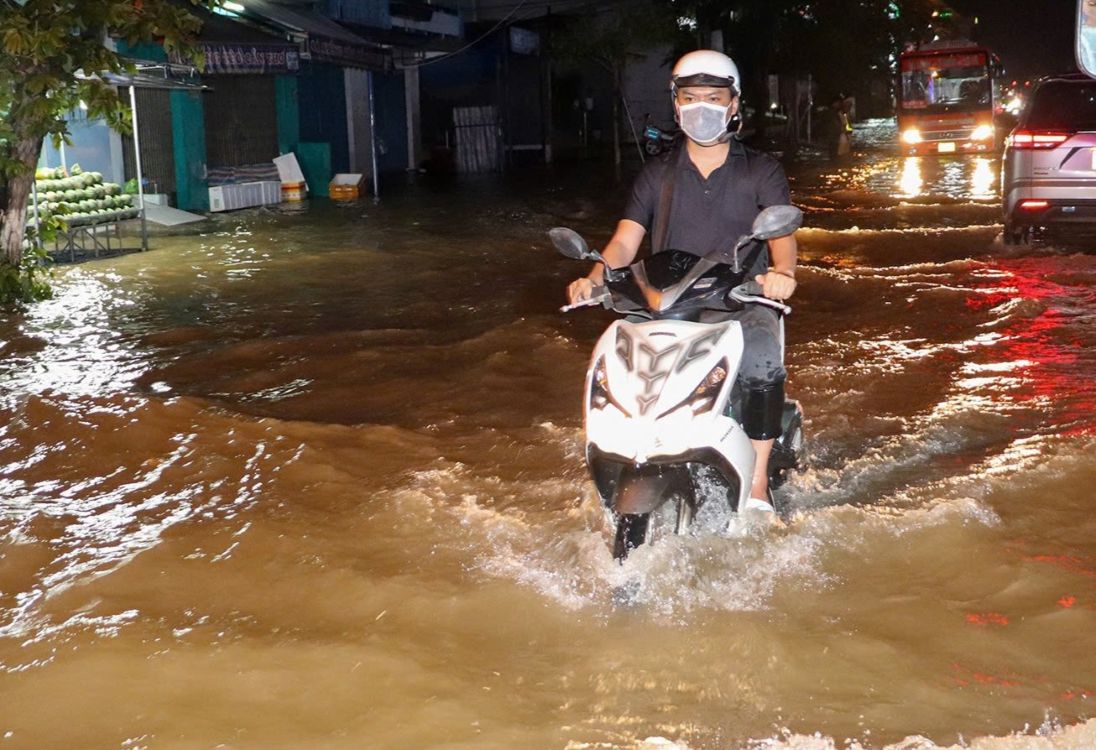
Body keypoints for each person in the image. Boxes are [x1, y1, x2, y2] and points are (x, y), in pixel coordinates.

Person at [566, 49, 799, 514]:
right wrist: (593, 278)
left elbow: (784, 241)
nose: (701, 108)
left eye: (713, 98)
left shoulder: (761, 170)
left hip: (739, 298)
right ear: (676, 104)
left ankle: (755, 485)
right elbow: (624, 242)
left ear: (734, 104)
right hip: (666, 300)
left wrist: (782, 275)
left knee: (760, 357)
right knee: (616, 361)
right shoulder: (657, 174)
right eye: (690, 98)